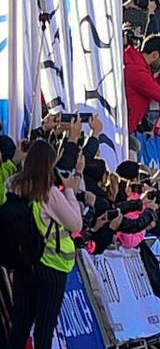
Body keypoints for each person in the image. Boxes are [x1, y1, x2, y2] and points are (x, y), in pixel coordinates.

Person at [5, 141, 83, 349]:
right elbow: (75, 223)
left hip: (23, 265)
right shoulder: (49, 193)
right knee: (44, 330)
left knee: (19, 328)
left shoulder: (13, 186)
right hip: (51, 267)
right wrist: (70, 192)